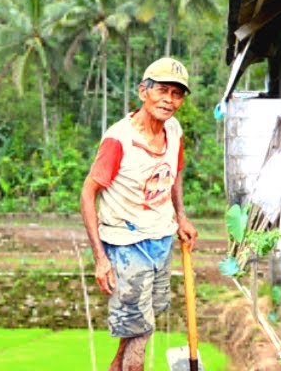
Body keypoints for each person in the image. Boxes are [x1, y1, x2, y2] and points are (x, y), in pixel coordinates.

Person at [80, 57, 199, 371]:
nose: (168, 100)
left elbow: (175, 173)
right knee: (141, 329)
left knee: (145, 315)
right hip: (125, 243)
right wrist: (100, 259)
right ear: (143, 91)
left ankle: (115, 366)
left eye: (176, 94)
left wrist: (181, 217)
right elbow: (87, 194)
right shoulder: (119, 140)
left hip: (160, 238)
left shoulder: (174, 130)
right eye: (162, 90)